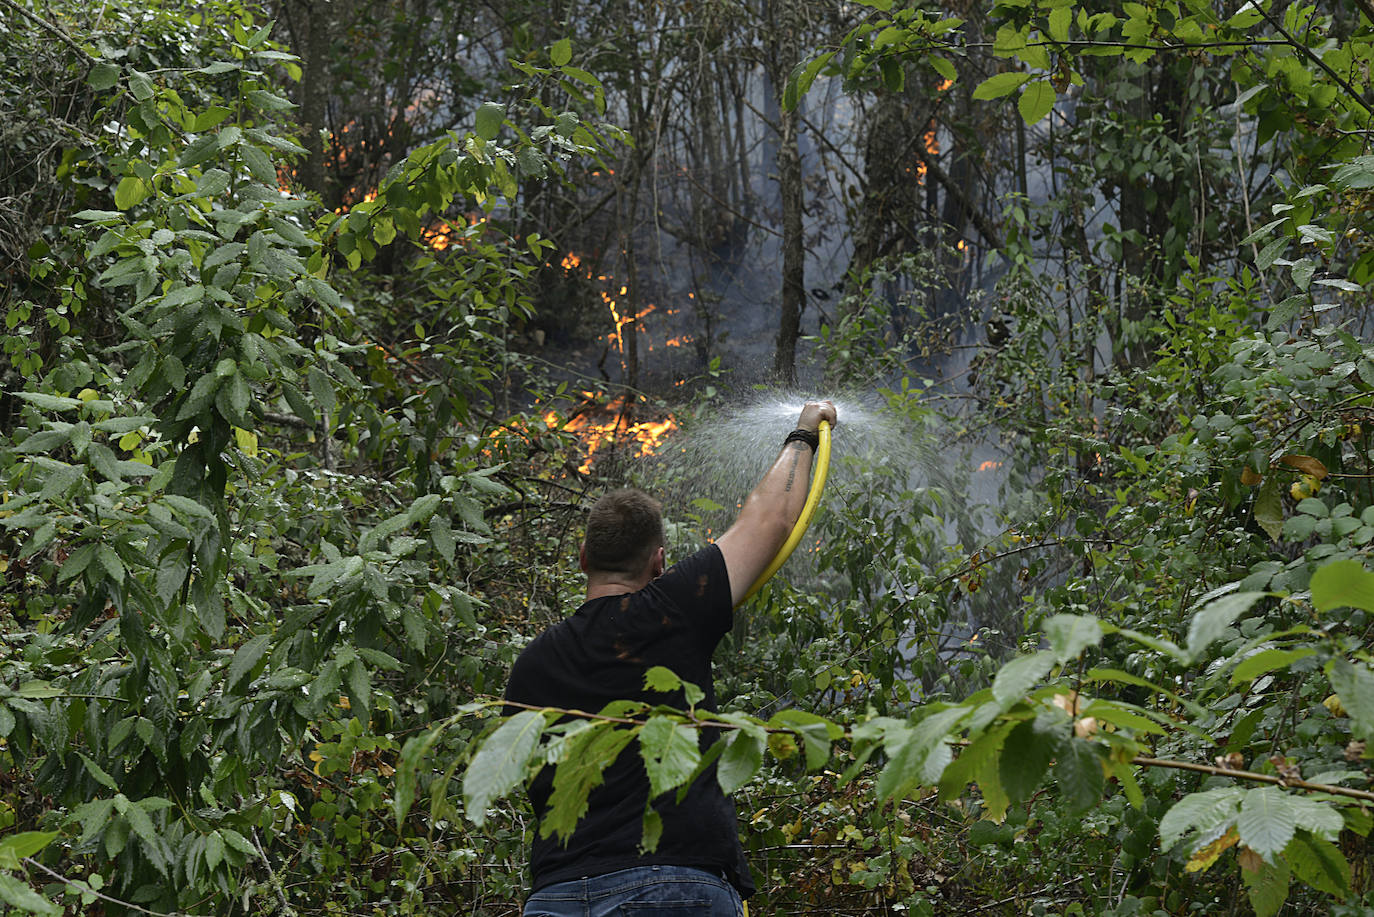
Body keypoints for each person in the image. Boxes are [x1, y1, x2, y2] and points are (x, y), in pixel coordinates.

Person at [504, 400, 838, 916]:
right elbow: (770, 518)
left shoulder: (530, 666)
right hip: (672, 887)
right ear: (659, 563)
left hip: (558, 897)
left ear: (584, 559)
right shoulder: (673, 608)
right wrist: (803, 433)